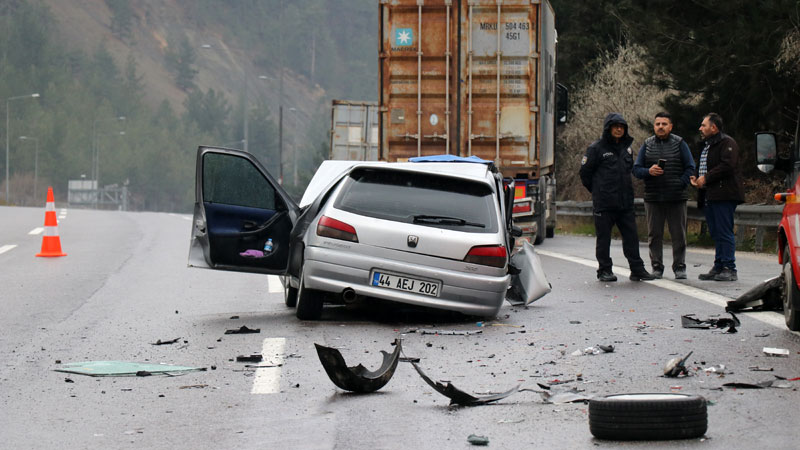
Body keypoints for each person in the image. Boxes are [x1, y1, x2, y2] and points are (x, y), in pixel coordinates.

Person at [580, 113, 655, 282]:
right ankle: (604, 270)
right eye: (615, 126)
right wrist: (598, 191)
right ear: (608, 128)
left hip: (625, 202)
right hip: (604, 203)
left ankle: (637, 269)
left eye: (622, 127)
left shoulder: (627, 149)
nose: (619, 129)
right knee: (604, 238)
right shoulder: (596, 149)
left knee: (631, 237)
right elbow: (585, 173)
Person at [633, 112, 696, 280]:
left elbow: (690, 167)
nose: (660, 127)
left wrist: (681, 183)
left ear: (671, 126)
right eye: (657, 124)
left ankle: (680, 266)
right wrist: (649, 171)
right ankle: (656, 266)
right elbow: (636, 169)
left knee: (679, 234)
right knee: (654, 234)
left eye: (664, 124)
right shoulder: (647, 144)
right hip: (653, 197)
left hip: (676, 197)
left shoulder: (680, 143)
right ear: (654, 126)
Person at [689, 113, 745, 281]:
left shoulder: (727, 143)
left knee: (724, 231)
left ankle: (729, 267)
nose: (701, 128)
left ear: (713, 127)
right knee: (715, 232)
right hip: (709, 194)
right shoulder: (707, 145)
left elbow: (727, 165)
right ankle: (719, 265)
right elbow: (706, 165)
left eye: (703, 125)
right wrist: (696, 176)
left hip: (724, 194)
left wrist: (706, 177)